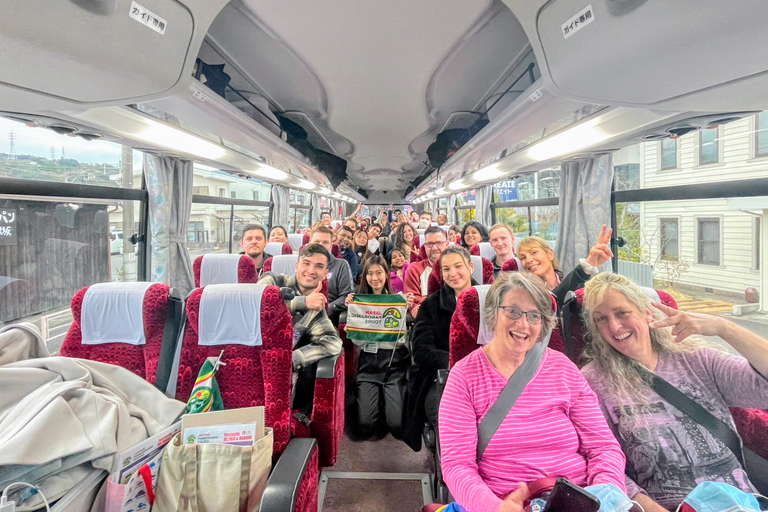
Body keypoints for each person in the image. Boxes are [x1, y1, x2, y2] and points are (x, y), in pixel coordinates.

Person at [439, 272, 627, 512]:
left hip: (579, 499)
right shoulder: (464, 377)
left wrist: (603, 497)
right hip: (504, 502)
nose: (523, 324)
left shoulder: (564, 368)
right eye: (513, 311)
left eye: (534, 315)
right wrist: (495, 508)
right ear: (493, 314)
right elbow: (457, 466)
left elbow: (603, 447)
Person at [581, 273, 768, 511]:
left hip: (739, 502)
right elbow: (602, 459)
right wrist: (648, 506)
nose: (615, 327)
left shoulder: (697, 359)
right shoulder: (593, 380)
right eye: (601, 319)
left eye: (622, 313)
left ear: (646, 312)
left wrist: (724, 327)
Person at [404, 245, 478, 450]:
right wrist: (460, 364)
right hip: (442, 377)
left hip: (488, 377)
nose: (453, 274)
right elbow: (421, 351)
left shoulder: (490, 300)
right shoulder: (431, 305)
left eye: (458, 266)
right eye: (446, 269)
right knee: (453, 421)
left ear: (470, 267)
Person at [258, 244, 343, 412]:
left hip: (278, 374)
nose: (311, 270)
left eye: (319, 266)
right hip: (247, 358)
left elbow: (333, 342)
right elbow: (255, 303)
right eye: (306, 263)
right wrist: (302, 302)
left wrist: (292, 360)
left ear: (325, 274)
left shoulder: (316, 310)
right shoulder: (273, 280)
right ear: (296, 266)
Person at [345, 256, 414, 438]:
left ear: (386, 274)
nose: (374, 278)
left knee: (397, 425)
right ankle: (377, 403)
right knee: (365, 426)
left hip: (394, 363)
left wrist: (408, 308)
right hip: (368, 363)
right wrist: (352, 312)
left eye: (379, 273)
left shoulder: (398, 300)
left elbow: (401, 339)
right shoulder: (359, 302)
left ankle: (387, 404)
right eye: (369, 273)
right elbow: (356, 341)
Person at [517, 225, 613, 306]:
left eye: (533, 252)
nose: (529, 260)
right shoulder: (527, 292)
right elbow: (553, 302)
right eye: (523, 258)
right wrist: (587, 266)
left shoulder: (564, 280)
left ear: (550, 254)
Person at [310, 225, 354, 324]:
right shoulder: (302, 265)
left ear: (331, 246)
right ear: (309, 244)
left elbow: (346, 297)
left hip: (328, 319)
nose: (320, 245)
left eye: (325, 242)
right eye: (317, 242)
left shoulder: (341, 265)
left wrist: (325, 309)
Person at [404, 226, 449, 317]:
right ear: (424, 247)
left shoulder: (455, 269)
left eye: (439, 243)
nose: (434, 248)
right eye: (430, 244)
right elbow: (413, 301)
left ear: (447, 244)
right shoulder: (414, 270)